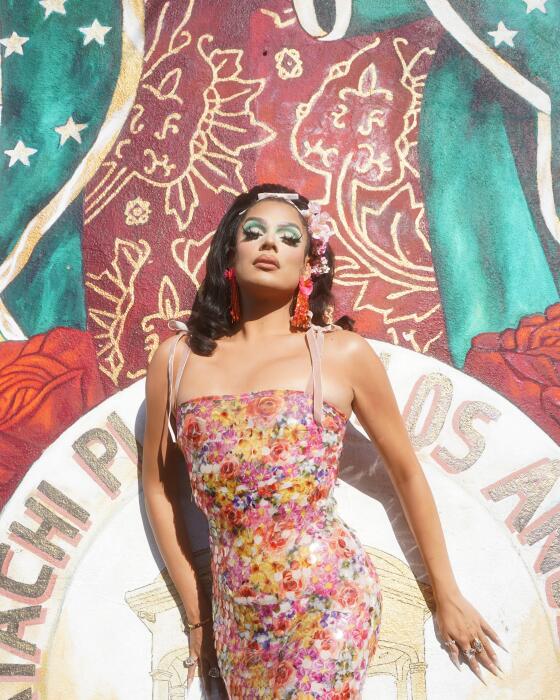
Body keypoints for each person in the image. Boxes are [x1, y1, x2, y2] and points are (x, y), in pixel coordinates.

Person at [142, 183, 505, 698]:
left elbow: (404, 471)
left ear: (308, 264)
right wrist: (199, 620)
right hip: (236, 618)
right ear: (230, 251)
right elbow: (158, 488)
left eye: (289, 238)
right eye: (254, 233)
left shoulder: (340, 354)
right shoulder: (176, 360)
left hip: (328, 596)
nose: (269, 244)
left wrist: (446, 593)